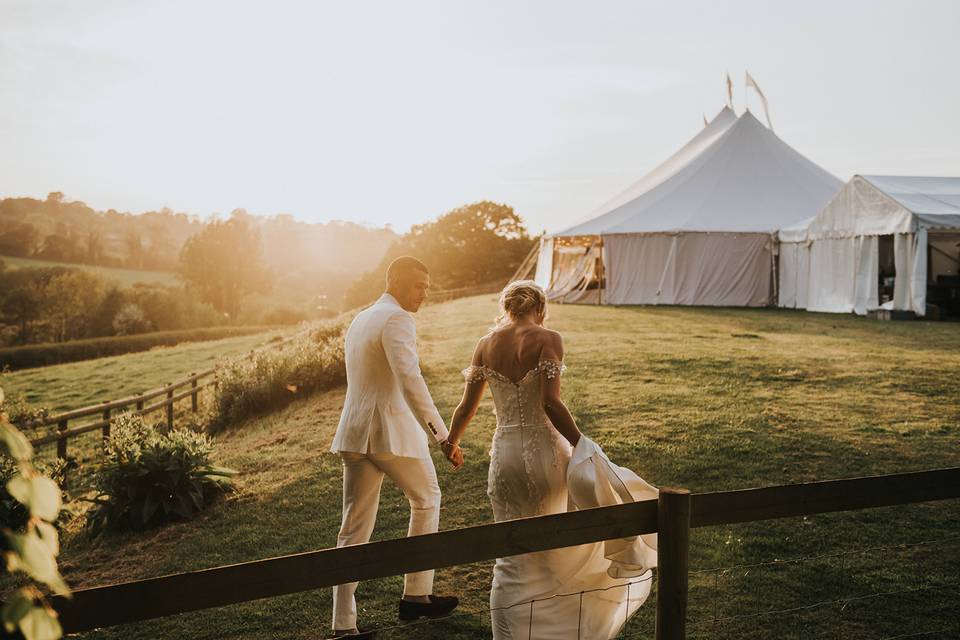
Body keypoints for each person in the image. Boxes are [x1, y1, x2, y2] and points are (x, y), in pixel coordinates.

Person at [447, 280, 656, 639]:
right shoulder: (548, 338)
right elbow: (550, 403)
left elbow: (466, 408)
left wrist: (451, 442)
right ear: (540, 309)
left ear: (507, 308)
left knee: (509, 553)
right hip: (546, 457)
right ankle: (557, 626)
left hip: (505, 459)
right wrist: (583, 444)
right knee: (550, 545)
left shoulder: (485, 345)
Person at [329, 256, 461, 638]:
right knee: (427, 498)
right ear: (398, 283)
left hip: (355, 435)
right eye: (419, 285)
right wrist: (442, 435)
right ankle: (416, 596)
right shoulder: (398, 318)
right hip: (389, 433)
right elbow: (409, 378)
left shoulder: (361, 318)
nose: (424, 293)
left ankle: (343, 626)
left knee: (351, 530)